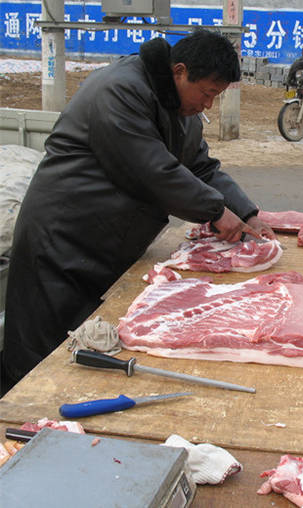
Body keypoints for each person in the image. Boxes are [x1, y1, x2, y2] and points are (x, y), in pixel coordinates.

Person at [0, 29, 276, 395]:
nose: (208, 105)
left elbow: (201, 167)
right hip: (61, 242)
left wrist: (245, 211)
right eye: (207, 93)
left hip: (106, 245)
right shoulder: (119, 90)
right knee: (38, 360)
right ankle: (17, 435)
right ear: (179, 71)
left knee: (88, 356)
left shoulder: (183, 111)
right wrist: (216, 211)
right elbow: (150, 170)